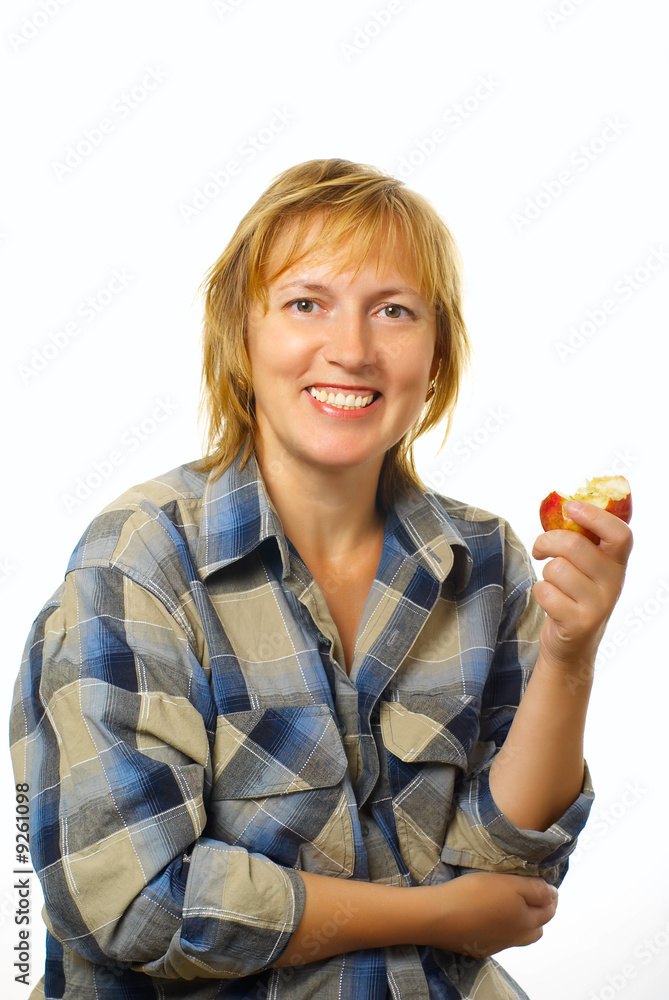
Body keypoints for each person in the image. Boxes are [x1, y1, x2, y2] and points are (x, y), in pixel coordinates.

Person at [10, 158, 633, 999]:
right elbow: (136, 905)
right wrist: (430, 916)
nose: (351, 350)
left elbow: (511, 873)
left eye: (393, 311)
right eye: (307, 303)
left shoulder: (484, 559)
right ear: (242, 336)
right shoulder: (139, 561)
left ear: (437, 355)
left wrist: (569, 653)